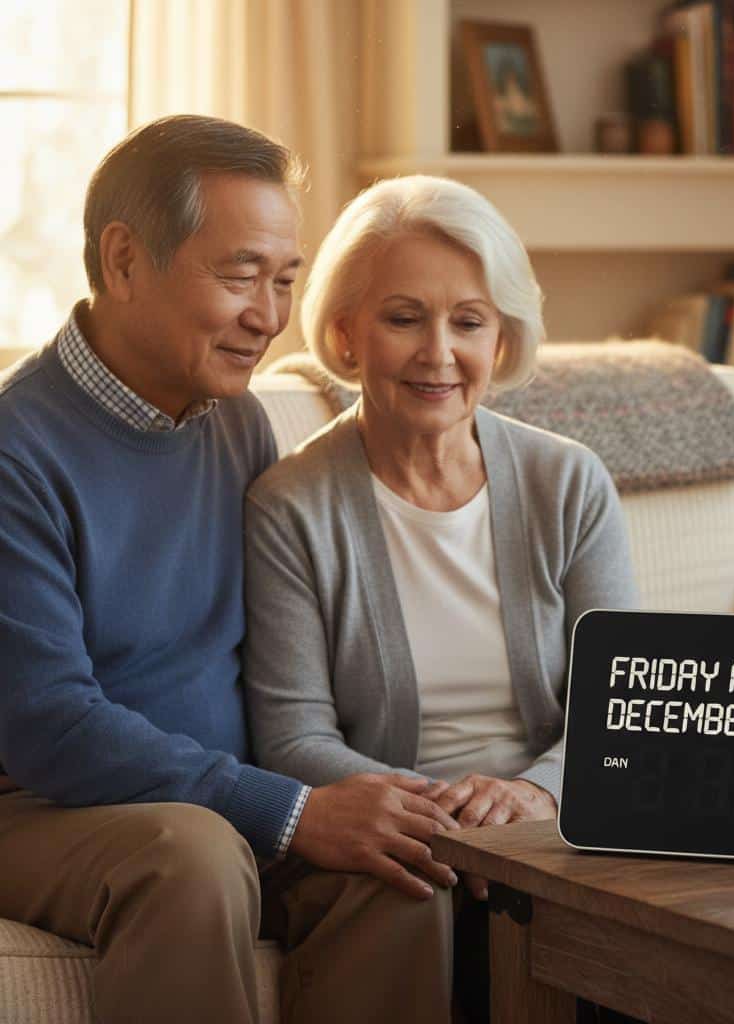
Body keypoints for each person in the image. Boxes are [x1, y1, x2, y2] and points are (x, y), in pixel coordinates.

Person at [0, 116, 460, 1024]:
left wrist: (349, 792)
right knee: (195, 856)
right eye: (241, 273)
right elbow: (48, 725)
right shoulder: (17, 452)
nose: (268, 316)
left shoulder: (237, 420)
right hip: (40, 804)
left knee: (401, 875)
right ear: (125, 261)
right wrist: (288, 812)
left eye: (285, 279)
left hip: (215, 793)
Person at [243, 174, 640, 1018]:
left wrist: (538, 793)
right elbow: (292, 733)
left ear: (501, 340)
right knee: (413, 890)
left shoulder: (569, 483)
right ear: (346, 333)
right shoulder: (290, 506)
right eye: (403, 317)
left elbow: (625, 704)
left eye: (468, 322)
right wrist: (437, 816)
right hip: (387, 833)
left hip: (551, 821)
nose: (438, 353)